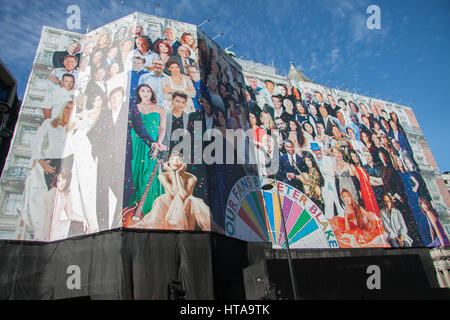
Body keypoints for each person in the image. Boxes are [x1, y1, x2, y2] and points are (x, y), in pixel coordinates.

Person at [21, 101, 75, 240]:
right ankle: (39, 235)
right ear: (62, 108)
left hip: (67, 163)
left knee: (61, 202)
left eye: (72, 109)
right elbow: (36, 142)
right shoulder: (50, 123)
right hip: (50, 163)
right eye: (67, 108)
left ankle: (53, 237)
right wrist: (41, 160)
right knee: (45, 202)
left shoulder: (74, 126)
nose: (69, 111)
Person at [130, 152, 211, 231]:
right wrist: (172, 173)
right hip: (168, 202)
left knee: (187, 201)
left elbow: (183, 196)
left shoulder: (191, 178)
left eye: (178, 159)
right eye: (172, 159)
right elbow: (173, 193)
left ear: (183, 163)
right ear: (168, 162)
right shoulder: (162, 176)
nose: (175, 162)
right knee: (161, 200)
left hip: (186, 203)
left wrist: (178, 174)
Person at [88, 87, 128, 230]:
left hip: (121, 160)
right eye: (113, 97)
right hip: (105, 158)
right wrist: (97, 153)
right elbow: (94, 135)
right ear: (110, 100)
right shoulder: (104, 116)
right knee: (102, 191)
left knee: (123, 192)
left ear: (122, 98)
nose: (115, 99)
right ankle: (103, 225)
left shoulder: (127, 114)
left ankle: (116, 224)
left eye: (118, 97)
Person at [128, 84, 167, 217]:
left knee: (148, 174)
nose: (145, 93)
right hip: (135, 144)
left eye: (148, 91)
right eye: (142, 90)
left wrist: (158, 144)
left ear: (152, 93)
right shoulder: (133, 107)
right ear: (138, 92)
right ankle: (132, 211)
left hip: (152, 145)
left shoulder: (160, 109)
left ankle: (149, 211)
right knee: (134, 174)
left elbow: (162, 128)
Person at [44, 168, 90, 241]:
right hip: (48, 229)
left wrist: (84, 220)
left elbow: (70, 214)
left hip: (59, 227)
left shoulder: (66, 194)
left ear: (67, 180)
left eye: (63, 179)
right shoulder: (52, 192)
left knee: (83, 226)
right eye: (59, 180)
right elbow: (45, 214)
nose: (61, 183)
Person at [311, 143, 344, 219]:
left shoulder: (328, 159)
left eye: (318, 150)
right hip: (324, 186)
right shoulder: (314, 162)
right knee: (328, 203)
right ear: (313, 152)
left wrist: (324, 170)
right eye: (315, 151)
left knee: (338, 201)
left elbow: (333, 172)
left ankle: (343, 217)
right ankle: (330, 220)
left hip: (332, 183)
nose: (317, 152)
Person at [349, 150, 381, 216]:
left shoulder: (362, 168)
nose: (355, 158)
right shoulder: (353, 167)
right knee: (371, 210)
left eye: (356, 156)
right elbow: (361, 180)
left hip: (370, 189)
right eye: (353, 157)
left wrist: (380, 183)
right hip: (365, 190)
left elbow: (368, 181)